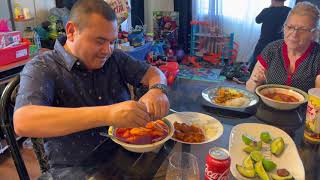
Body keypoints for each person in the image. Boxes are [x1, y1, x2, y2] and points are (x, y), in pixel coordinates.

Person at [13, 0, 169, 170]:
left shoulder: (114, 57)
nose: (107, 50)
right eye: (100, 41)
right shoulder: (42, 66)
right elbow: (23, 121)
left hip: (125, 155)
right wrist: (108, 114)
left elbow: (153, 73)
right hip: (75, 169)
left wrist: (157, 90)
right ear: (72, 31)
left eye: (111, 42)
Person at [246, 2, 320, 93]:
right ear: (284, 27)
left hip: (304, 107)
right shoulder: (272, 49)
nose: (294, 34)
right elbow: (249, 87)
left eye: (302, 29)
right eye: (290, 27)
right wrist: (255, 82)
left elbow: (317, 99)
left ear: (314, 33)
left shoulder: (317, 56)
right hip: (267, 105)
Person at [248, 0, 291, 73]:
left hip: (264, 42)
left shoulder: (267, 11)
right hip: (279, 43)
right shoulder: (289, 11)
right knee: (275, 64)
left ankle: (253, 76)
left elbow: (257, 20)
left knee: (256, 61)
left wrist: (269, 8)